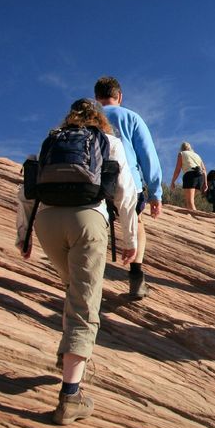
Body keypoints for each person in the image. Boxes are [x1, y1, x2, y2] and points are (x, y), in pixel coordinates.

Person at [16, 98, 138, 425]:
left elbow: (26, 189)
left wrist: (23, 236)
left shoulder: (53, 139)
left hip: (47, 222)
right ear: (99, 119)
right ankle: (71, 396)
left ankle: (65, 356)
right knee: (85, 302)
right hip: (88, 220)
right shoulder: (108, 141)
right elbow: (125, 193)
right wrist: (131, 240)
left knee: (73, 288)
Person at [94, 76, 163, 300]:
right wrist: (155, 193)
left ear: (97, 98)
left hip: (92, 182)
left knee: (96, 225)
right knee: (136, 223)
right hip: (128, 182)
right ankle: (136, 281)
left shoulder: (89, 119)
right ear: (120, 96)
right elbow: (147, 156)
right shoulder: (131, 117)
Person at [169, 142, 208, 210]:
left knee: (190, 201)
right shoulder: (197, 155)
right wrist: (205, 183)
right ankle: (189, 218)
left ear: (181, 148)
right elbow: (204, 170)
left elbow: (178, 169)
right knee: (189, 201)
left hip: (190, 176)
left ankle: (196, 219)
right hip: (200, 177)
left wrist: (173, 181)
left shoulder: (182, 154)